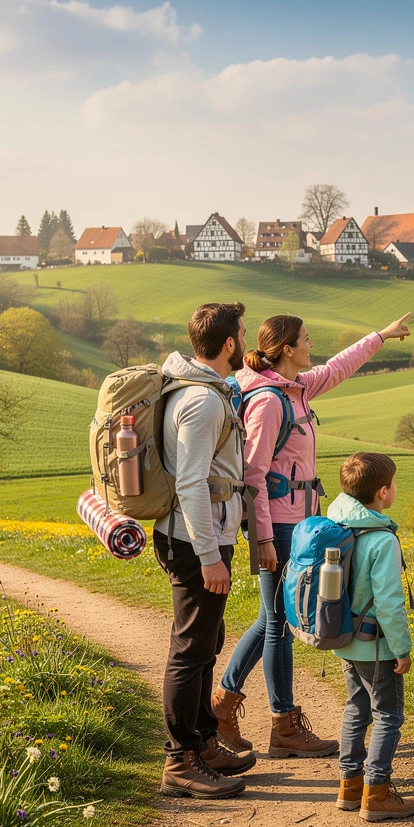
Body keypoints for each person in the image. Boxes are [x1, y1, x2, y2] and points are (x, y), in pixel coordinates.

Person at [213, 312, 412, 757]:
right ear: (286, 348)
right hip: (279, 527)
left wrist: (379, 334)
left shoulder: (297, 388)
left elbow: (340, 366)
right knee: (279, 621)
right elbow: (254, 475)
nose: (311, 344)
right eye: (305, 339)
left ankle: (227, 705)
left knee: (274, 618)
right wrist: (263, 537)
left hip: (299, 526)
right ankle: (277, 722)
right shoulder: (268, 401)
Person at [156, 302, 257, 800]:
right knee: (191, 649)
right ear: (229, 343)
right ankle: (180, 761)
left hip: (201, 537)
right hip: (197, 541)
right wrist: (209, 555)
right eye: (242, 332)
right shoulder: (204, 402)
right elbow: (192, 485)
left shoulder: (204, 391)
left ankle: (203, 743)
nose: (246, 338)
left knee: (205, 644)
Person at [330, 452, 414, 822]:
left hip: (343, 638)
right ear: (383, 492)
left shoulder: (336, 521)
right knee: (388, 716)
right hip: (376, 647)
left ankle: (349, 786)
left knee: (356, 707)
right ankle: (377, 793)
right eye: (394, 483)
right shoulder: (382, 540)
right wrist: (402, 648)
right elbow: (389, 603)